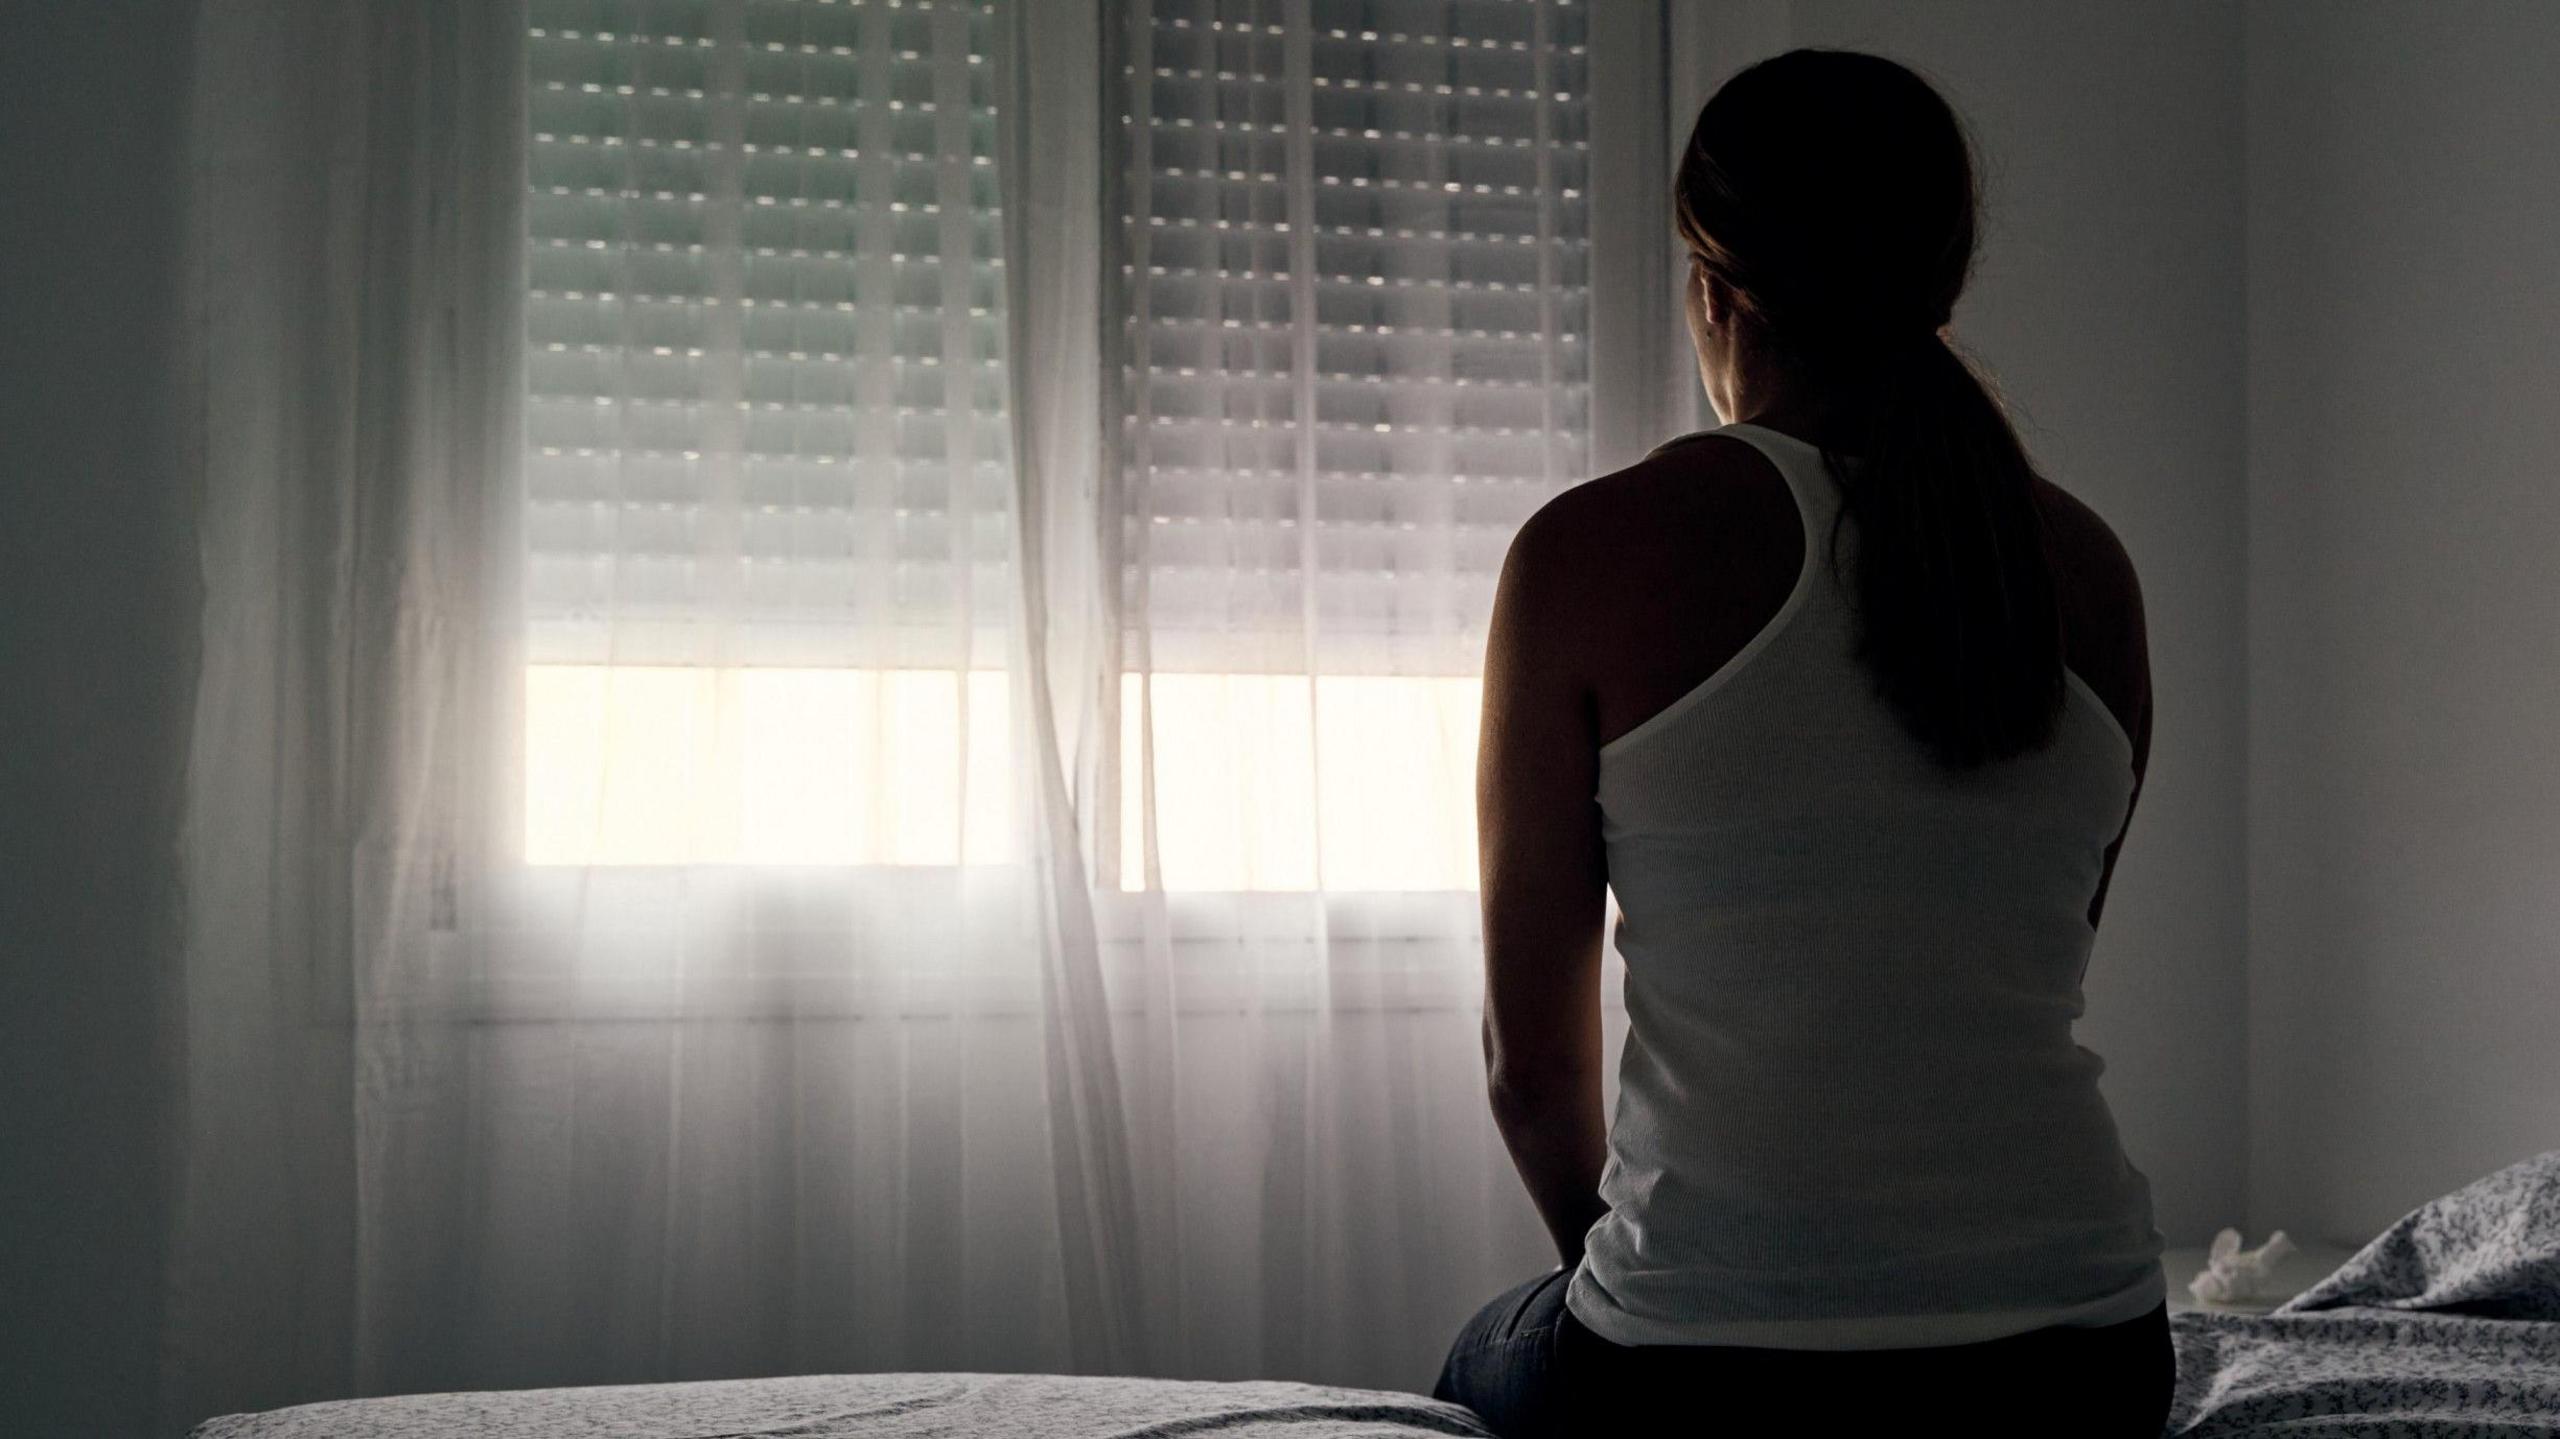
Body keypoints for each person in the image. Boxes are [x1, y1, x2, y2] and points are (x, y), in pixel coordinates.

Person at [1434, 47, 2174, 1438]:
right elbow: (2026, 962)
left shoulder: (1591, 554)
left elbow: (1531, 1075)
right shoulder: (2085, 567)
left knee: (1477, 1362)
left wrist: (1667, 1284)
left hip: (1709, 1379)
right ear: (1941, 277)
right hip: (2085, 1361)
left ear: (1714, 287)